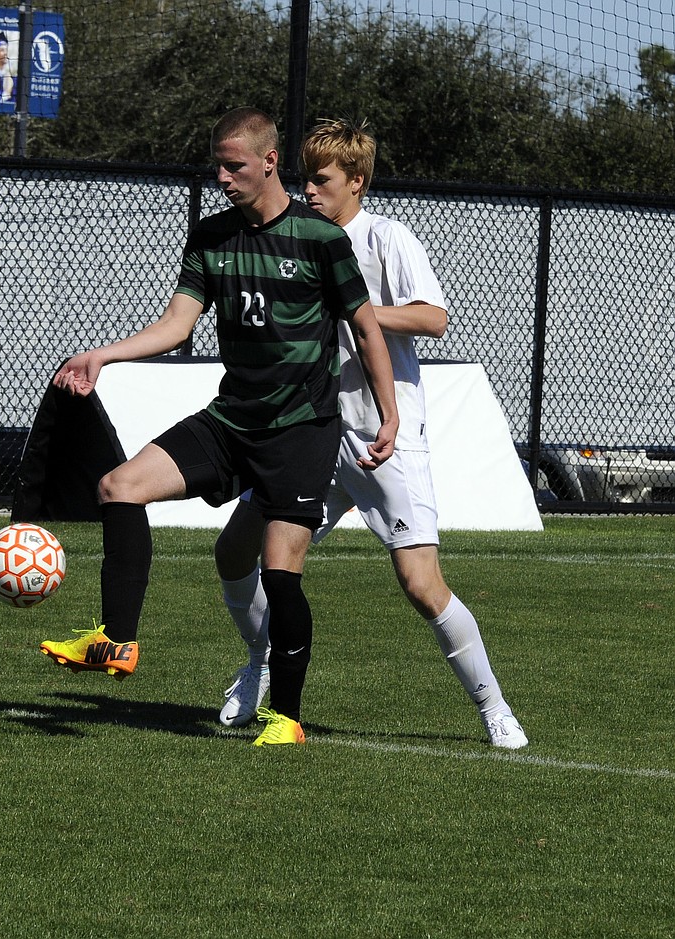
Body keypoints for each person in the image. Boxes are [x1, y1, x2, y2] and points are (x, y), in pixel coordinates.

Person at [40, 108, 399, 746]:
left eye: (234, 165)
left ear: (268, 162)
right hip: (232, 419)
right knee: (119, 486)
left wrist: (388, 412)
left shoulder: (320, 239)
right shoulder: (210, 237)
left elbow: (366, 329)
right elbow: (177, 327)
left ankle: (286, 718)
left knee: (279, 571)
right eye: (218, 164)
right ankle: (117, 640)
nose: (222, 176)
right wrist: (102, 355)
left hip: (299, 429)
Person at [214, 117, 528, 749]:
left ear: (356, 182)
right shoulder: (294, 237)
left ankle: (494, 707)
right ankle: (258, 665)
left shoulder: (387, 238)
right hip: (308, 433)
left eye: (323, 180)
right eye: (305, 177)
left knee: (420, 584)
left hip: (383, 438)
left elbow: (433, 317)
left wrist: (353, 308)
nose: (310, 190)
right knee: (234, 552)